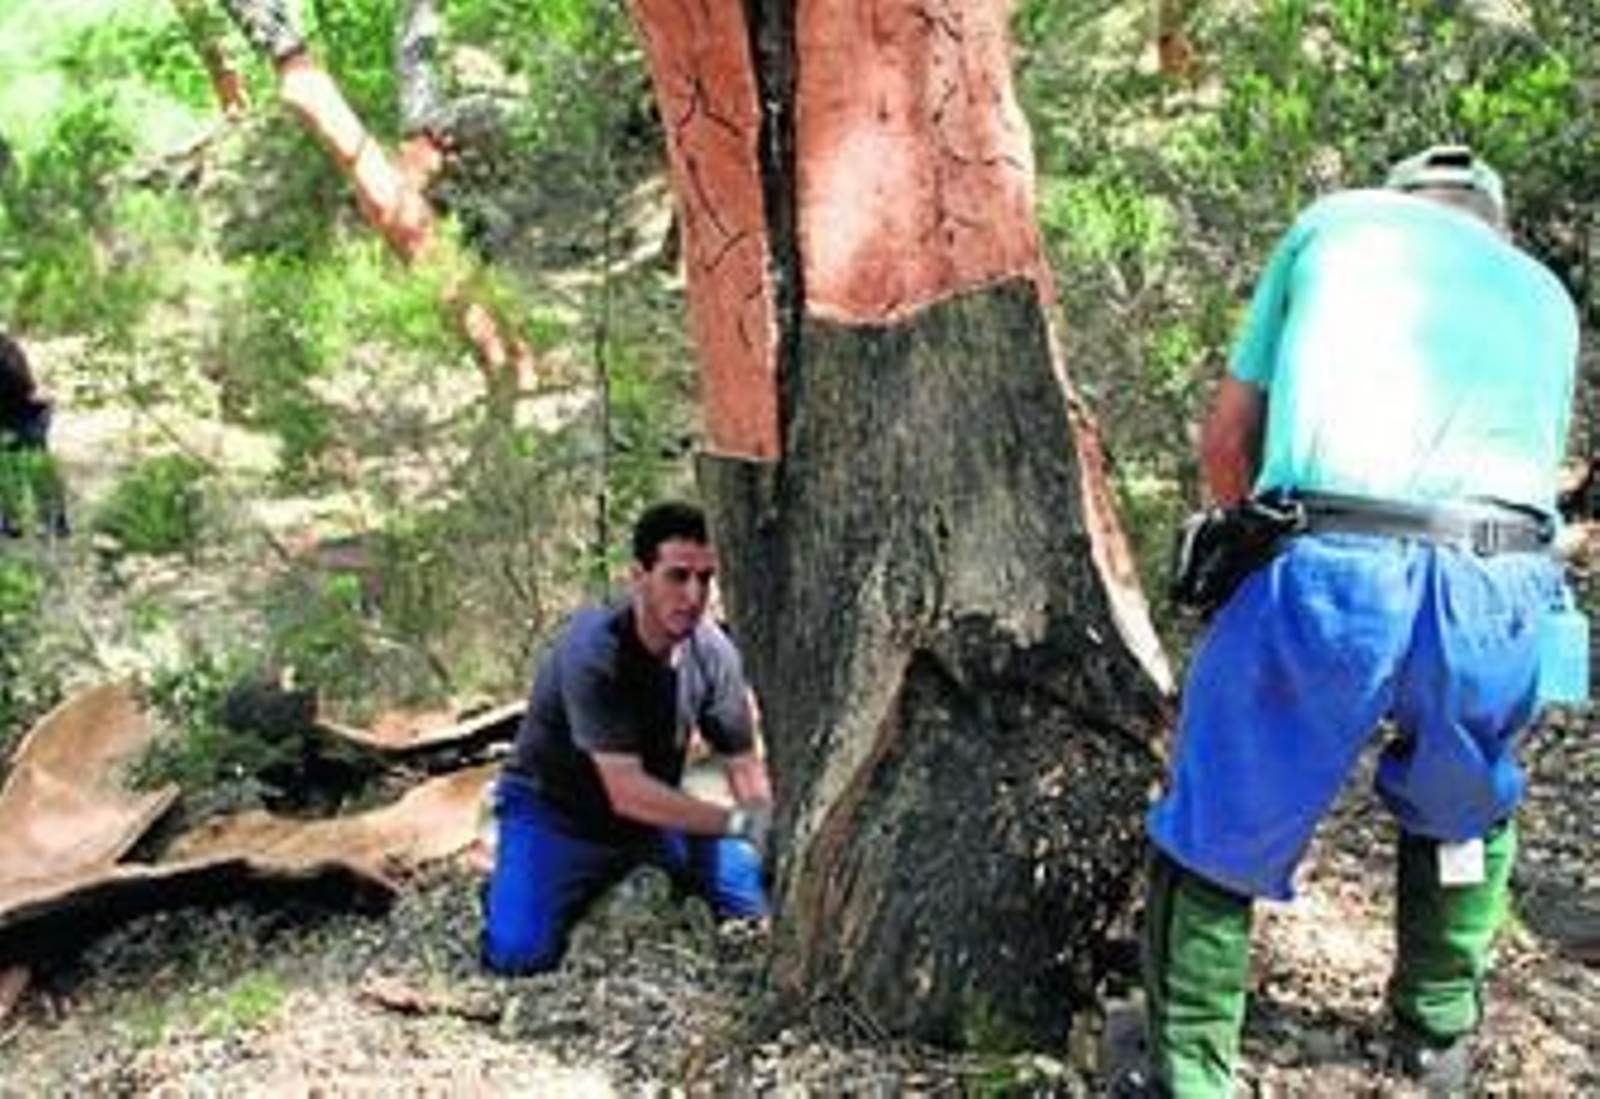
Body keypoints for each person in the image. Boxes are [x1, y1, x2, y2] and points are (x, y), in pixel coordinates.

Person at [1131, 145, 1580, 1096]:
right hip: (1501, 586)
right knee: (1468, 803)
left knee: (1218, 817)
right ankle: (1436, 1034)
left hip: (1339, 565)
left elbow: (1228, 439)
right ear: (1490, 221)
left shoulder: (1335, 225)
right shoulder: (1546, 294)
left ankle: (1189, 1070)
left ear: (1401, 199)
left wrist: (1246, 539)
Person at [482, 500, 775, 974]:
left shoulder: (712, 650)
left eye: (706, 578)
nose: (694, 595)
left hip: (652, 818)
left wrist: (766, 830)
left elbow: (742, 761)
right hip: (556, 815)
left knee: (753, 902)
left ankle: (660, 863)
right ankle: (515, 882)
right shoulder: (595, 650)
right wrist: (736, 824)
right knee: (517, 954)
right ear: (639, 575)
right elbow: (627, 791)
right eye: (677, 576)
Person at [0, 331, 67, 537]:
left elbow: (22, 384)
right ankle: (14, 522)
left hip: (27, 414)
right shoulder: (7, 345)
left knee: (33, 466)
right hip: (14, 413)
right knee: (9, 466)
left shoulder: (6, 348)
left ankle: (54, 522)